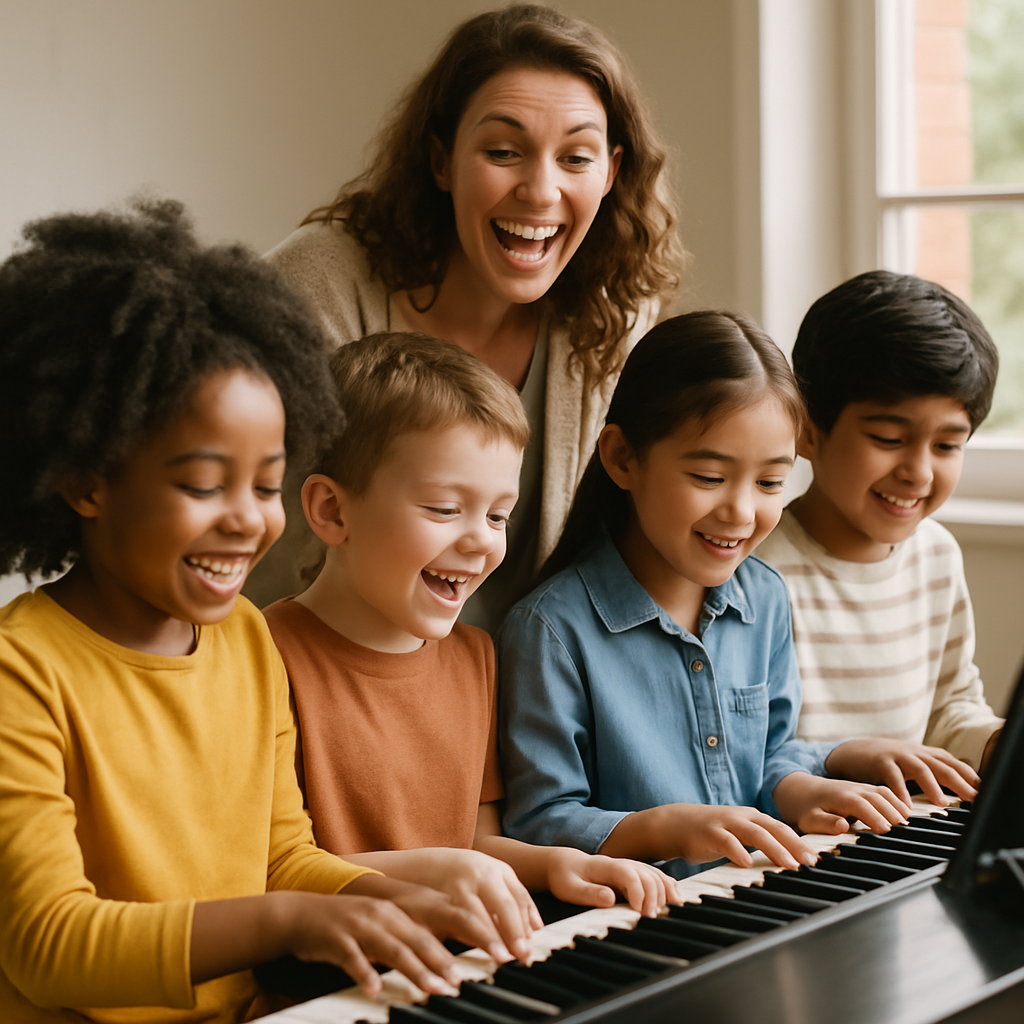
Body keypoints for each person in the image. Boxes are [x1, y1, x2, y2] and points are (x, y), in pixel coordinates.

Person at [0, 201, 517, 1024]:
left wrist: (405, 896)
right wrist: (293, 920)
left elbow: (282, 858)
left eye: (267, 483)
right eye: (205, 485)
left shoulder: (242, 635)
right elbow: (50, 944)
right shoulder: (21, 671)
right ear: (87, 481)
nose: (248, 520)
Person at [246, 4, 684, 631]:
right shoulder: (313, 288)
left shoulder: (616, 314)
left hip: (509, 682)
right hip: (293, 665)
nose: (540, 191)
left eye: (576, 158)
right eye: (504, 151)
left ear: (613, 171)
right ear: (441, 159)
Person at [263, 332, 677, 964]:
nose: (482, 541)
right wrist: (441, 870)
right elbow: (273, 869)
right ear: (332, 510)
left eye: (498, 516)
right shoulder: (262, 658)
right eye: (444, 508)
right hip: (330, 984)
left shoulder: (476, 658)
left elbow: (473, 844)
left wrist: (555, 865)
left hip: (459, 969)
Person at [496, 312, 917, 881]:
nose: (741, 512)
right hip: (634, 914)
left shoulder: (764, 597)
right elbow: (537, 823)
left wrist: (800, 787)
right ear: (622, 458)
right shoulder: (550, 631)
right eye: (710, 477)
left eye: (770, 482)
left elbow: (771, 753)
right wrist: (665, 829)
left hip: (755, 893)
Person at [756, 270, 1004, 790]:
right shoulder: (754, 573)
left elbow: (948, 711)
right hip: (796, 829)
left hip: (901, 825)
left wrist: (995, 743)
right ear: (807, 431)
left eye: (947, 445)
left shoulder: (937, 556)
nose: (919, 473)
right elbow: (739, 755)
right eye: (889, 438)